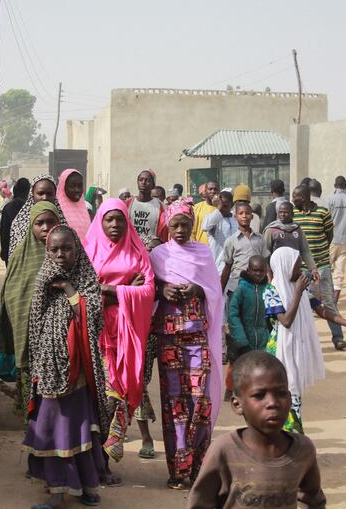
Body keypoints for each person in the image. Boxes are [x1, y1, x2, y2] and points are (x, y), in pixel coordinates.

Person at [25, 225, 109, 508]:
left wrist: (69, 289)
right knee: (52, 429)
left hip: (79, 373)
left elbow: (92, 314)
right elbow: (35, 324)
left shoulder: (86, 278)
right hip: (49, 371)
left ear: (77, 249)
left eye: (67, 248)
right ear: (47, 251)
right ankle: (57, 491)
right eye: (54, 249)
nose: (60, 255)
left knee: (81, 428)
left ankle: (86, 485)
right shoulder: (42, 279)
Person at [188, 351, 326, 509]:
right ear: (237, 405)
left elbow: (313, 500)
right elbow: (200, 503)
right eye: (259, 395)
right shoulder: (224, 450)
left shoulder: (303, 450)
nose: (272, 403)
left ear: (289, 398)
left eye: (281, 394)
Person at [150, 199, 224, 489]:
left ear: (193, 226)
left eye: (185, 225)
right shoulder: (159, 255)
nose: (179, 230)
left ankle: (199, 467)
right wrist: (161, 288)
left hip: (197, 338)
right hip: (168, 340)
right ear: (167, 226)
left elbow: (215, 292)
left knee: (200, 401)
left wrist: (198, 289)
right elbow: (146, 288)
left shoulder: (203, 253)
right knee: (174, 405)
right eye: (175, 225)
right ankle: (178, 470)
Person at [84, 199, 156, 468]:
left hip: (128, 334)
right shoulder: (88, 250)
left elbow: (148, 291)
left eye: (120, 220)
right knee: (101, 398)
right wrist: (126, 289)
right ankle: (96, 459)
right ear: (100, 222)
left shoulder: (138, 252)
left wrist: (112, 290)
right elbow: (83, 290)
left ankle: (104, 458)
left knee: (120, 397)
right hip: (97, 333)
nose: (115, 225)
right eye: (109, 220)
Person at [264, 247, 346, 434]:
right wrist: (296, 292)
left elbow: (322, 311)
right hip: (280, 351)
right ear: (285, 266)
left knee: (293, 395)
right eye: (296, 265)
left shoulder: (301, 290)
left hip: (295, 349)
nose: (299, 269)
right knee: (286, 394)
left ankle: (290, 440)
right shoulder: (272, 291)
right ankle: (289, 440)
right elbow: (286, 321)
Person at [0, 202, 61, 413]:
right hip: (27, 335)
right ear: (31, 225)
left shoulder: (66, 254)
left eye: (51, 222)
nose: (45, 228)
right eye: (39, 223)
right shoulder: (20, 256)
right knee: (30, 386)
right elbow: (12, 295)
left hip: (58, 338)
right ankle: (32, 427)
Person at [292, 184, 346, 351]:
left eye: (296, 196)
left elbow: (329, 235)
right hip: (300, 268)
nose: (293, 199)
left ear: (305, 197)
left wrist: (319, 255)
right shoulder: (293, 214)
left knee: (329, 302)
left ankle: (338, 338)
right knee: (302, 304)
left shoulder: (323, 213)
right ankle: (303, 342)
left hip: (322, 266)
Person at [226, 256, 273, 399]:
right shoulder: (241, 289)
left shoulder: (268, 289)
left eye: (262, 271)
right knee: (237, 365)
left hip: (262, 336)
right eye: (255, 271)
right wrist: (240, 339)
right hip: (242, 336)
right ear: (248, 270)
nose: (258, 274)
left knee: (259, 366)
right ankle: (230, 390)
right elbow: (233, 315)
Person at [7, 174, 67, 259]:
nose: (45, 197)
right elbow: (15, 258)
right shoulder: (20, 223)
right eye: (40, 193)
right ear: (32, 194)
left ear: (55, 194)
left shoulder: (63, 224)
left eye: (49, 194)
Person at [221, 202, 268, 297]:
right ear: (235, 217)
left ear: (252, 216)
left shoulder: (259, 238)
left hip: (256, 287)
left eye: (247, 213)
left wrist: (269, 283)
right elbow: (227, 268)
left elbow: (265, 263)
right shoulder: (231, 241)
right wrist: (220, 289)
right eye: (241, 213)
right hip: (236, 287)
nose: (244, 216)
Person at [326, 176, 346, 302]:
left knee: (325, 269)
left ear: (335, 185)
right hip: (345, 241)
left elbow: (324, 220)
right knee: (339, 273)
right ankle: (334, 302)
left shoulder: (329, 200)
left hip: (330, 241)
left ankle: (325, 300)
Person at [263, 201, 317, 274]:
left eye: (286, 212)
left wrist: (312, 268)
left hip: (295, 270)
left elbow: (305, 250)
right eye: (280, 212)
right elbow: (266, 253)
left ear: (292, 214)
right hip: (276, 271)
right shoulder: (271, 230)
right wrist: (268, 273)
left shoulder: (297, 230)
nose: (283, 214)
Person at [126, 169, 168, 243]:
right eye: (141, 180)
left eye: (147, 180)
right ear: (137, 182)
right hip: (131, 248)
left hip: (151, 250)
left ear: (153, 185)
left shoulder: (161, 207)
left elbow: (163, 234)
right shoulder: (128, 204)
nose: (143, 182)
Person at [203, 191, 238, 272]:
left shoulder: (236, 219)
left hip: (234, 266)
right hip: (217, 264)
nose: (222, 208)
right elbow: (205, 227)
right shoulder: (213, 217)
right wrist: (218, 208)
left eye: (225, 205)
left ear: (231, 205)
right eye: (220, 205)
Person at [0, 177, 30, 264]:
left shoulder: (8, 208)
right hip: (28, 253)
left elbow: (4, 231)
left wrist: (4, 250)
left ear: (15, 190)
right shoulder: (32, 207)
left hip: (11, 251)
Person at [57, 168, 91, 240]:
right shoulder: (57, 209)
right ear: (63, 187)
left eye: (80, 186)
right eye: (72, 186)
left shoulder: (85, 210)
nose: (77, 190)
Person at [193, 180, 219, 244]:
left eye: (215, 189)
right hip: (200, 249)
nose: (213, 191)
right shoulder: (196, 208)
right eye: (210, 189)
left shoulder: (223, 209)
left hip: (219, 251)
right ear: (205, 191)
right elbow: (191, 231)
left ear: (219, 191)